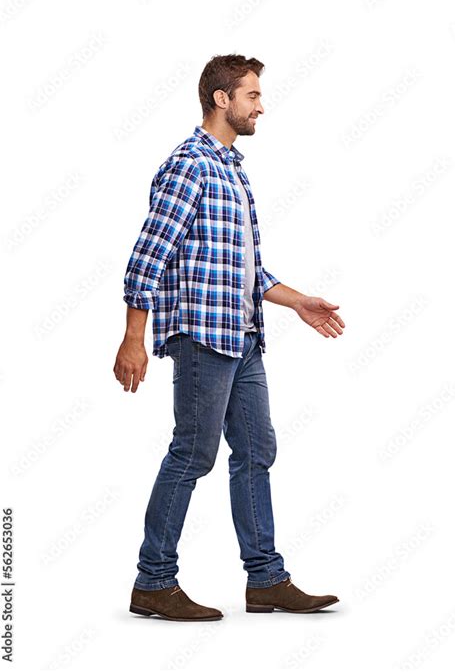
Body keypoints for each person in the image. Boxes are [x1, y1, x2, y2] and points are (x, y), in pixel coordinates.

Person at [114, 54, 345, 622]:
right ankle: (153, 581)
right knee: (193, 453)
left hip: (243, 337)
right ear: (222, 99)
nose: (260, 105)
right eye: (252, 95)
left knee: (257, 451)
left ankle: (266, 579)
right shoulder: (188, 166)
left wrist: (298, 303)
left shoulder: (234, 170)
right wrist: (133, 338)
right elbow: (148, 256)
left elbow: (248, 269)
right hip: (202, 339)